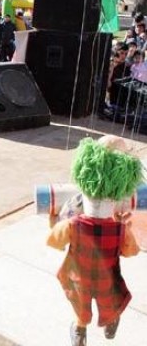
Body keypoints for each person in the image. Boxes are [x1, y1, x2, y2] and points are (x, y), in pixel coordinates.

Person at [47, 136, 142, 346]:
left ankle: (87, 328)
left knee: (88, 307)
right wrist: (124, 228)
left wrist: (54, 219)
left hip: (83, 276)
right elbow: (131, 250)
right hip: (100, 278)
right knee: (104, 304)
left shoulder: (73, 224)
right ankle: (100, 323)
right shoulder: (117, 230)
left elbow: (54, 240)